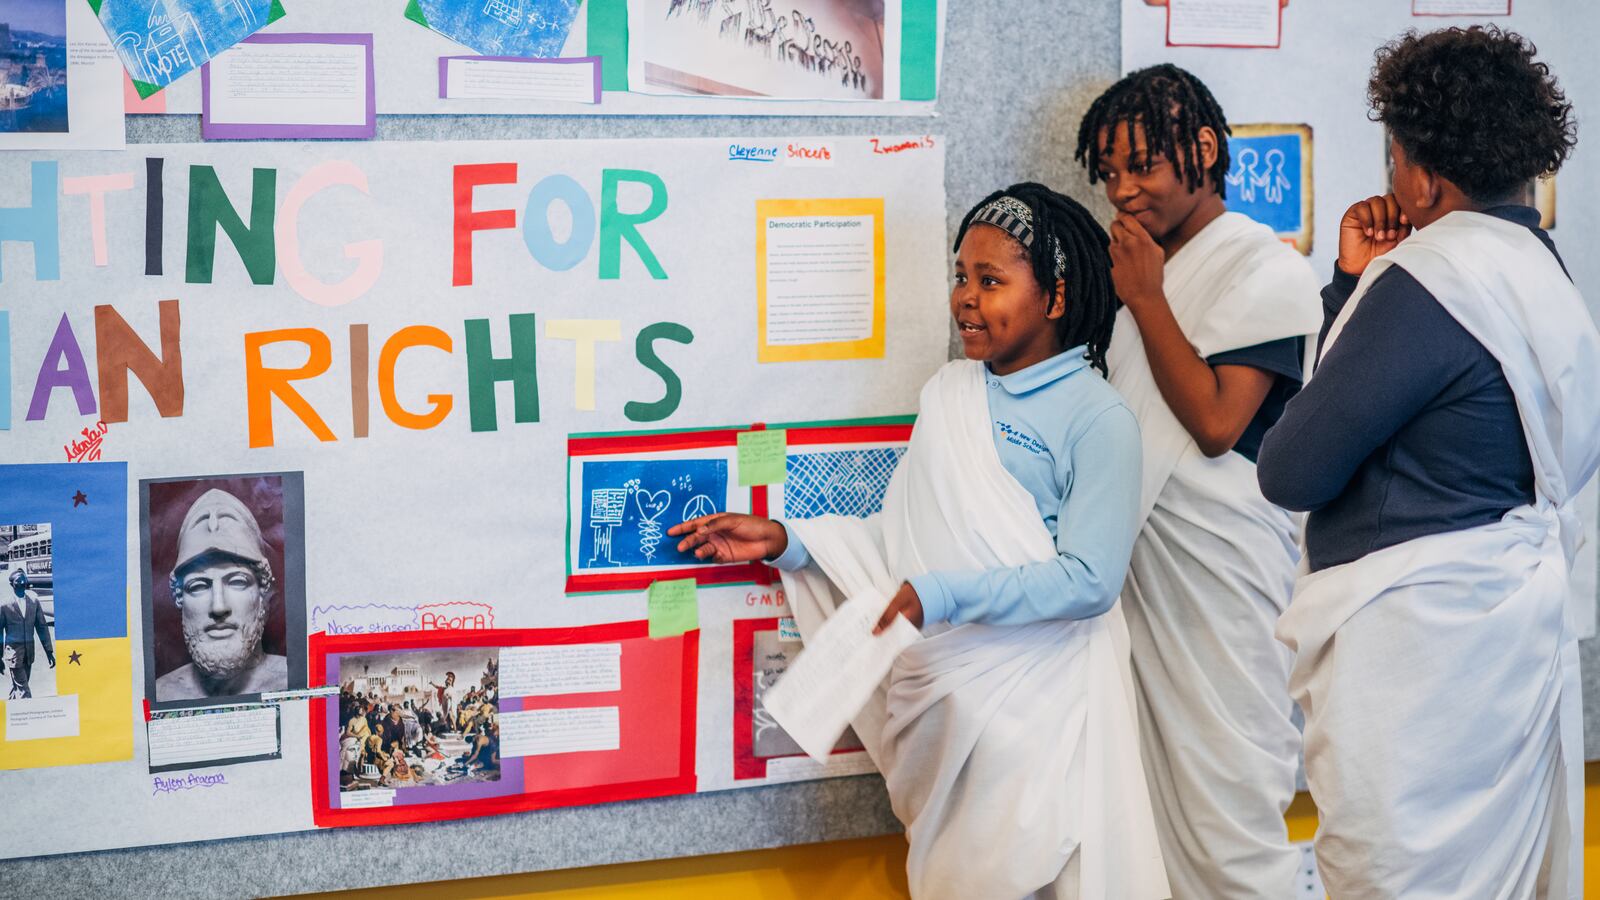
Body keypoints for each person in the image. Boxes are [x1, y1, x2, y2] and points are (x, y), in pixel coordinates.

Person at [670, 184, 1167, 899]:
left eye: (990, 281)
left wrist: (940, 596)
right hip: (947, 728)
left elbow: (1089, 581)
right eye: (960, 276)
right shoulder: (950, 395)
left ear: (1055, 298)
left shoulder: (1100, 421)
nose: (965, 297)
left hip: (1044, 721)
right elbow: (903, 543)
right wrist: (787, 540)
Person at [1257, 26, 1596, 897]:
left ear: (1425, 177)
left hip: (1413, 682)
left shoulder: (1429, 280)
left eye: (1395, 158)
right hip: (1502, 659)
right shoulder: (1543, 273)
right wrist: (1356, 284)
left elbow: (1290, 468)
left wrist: (1355, 286)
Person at [1072, 64, 1322, 898]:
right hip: (1136, 581)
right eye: (1108, 172)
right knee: (1142, 819)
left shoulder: (1266, 269)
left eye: (1141, 165)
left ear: (1203, 149)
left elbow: (1217, 425)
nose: (1123, 189)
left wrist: (1145, 298)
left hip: (1220, 581)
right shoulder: (1131, 276)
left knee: (1228, 825)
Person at [155, 488, 287, 700]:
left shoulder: (296, 682)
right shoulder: (160, 694)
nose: (218, 607)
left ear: (263, 591)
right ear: (179, 597)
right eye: (198, 586)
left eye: (237, 582)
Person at [1, 569, 55, 699]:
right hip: (14, 655)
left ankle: (8, 714)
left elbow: (42, 627)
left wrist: (49, 651)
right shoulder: (4, 605)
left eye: (23, 579)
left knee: (19, 688)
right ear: (11, 584)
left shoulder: (34, 601)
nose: (21, 582)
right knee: (25, 692)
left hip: (29, 654)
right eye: (18, 580)